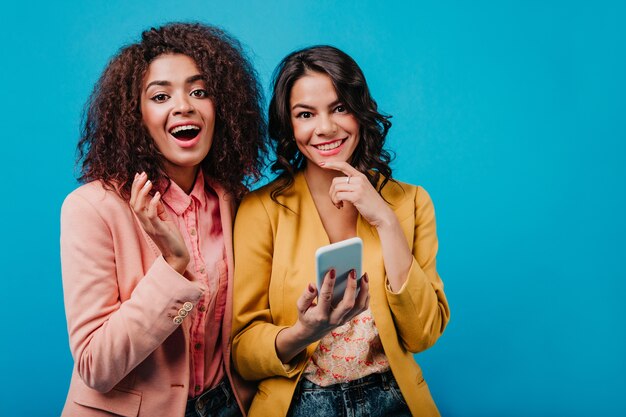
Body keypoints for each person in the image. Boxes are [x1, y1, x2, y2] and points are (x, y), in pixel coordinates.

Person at [231, 45, 451, 417]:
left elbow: (423, 334)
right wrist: (303, 332)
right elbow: (242, 353)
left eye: (339, 107)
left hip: (393, 400)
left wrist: (385, 221)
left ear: (359, 111)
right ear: (289, 124)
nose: (326, 128)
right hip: (300, 404)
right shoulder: (260, 210)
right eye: (305, 114)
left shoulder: (410, 202)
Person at [60, 22, 265, 417]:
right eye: (160, 95)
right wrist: (173, 268)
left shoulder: (234, 200)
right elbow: (95, 366)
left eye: (199, 91)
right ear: (135, 115)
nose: (184, 105)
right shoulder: (90, 209)